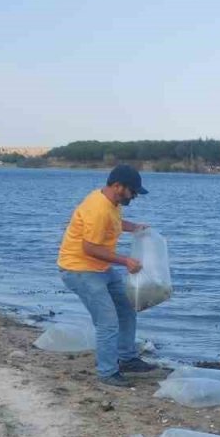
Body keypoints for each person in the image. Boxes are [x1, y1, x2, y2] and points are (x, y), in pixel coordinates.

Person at [57, 164, 160, 387]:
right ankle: (107, 372)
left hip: (100, 268)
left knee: (127, 309)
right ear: (118, 186)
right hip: (79, 269)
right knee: (108, 321)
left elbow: (114, 223)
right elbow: (90, 248)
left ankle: (127, 358)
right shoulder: (98, 209)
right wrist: (126, 261)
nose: (134, 196)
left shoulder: (110, 202)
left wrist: (135, 228)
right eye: (133, 191)